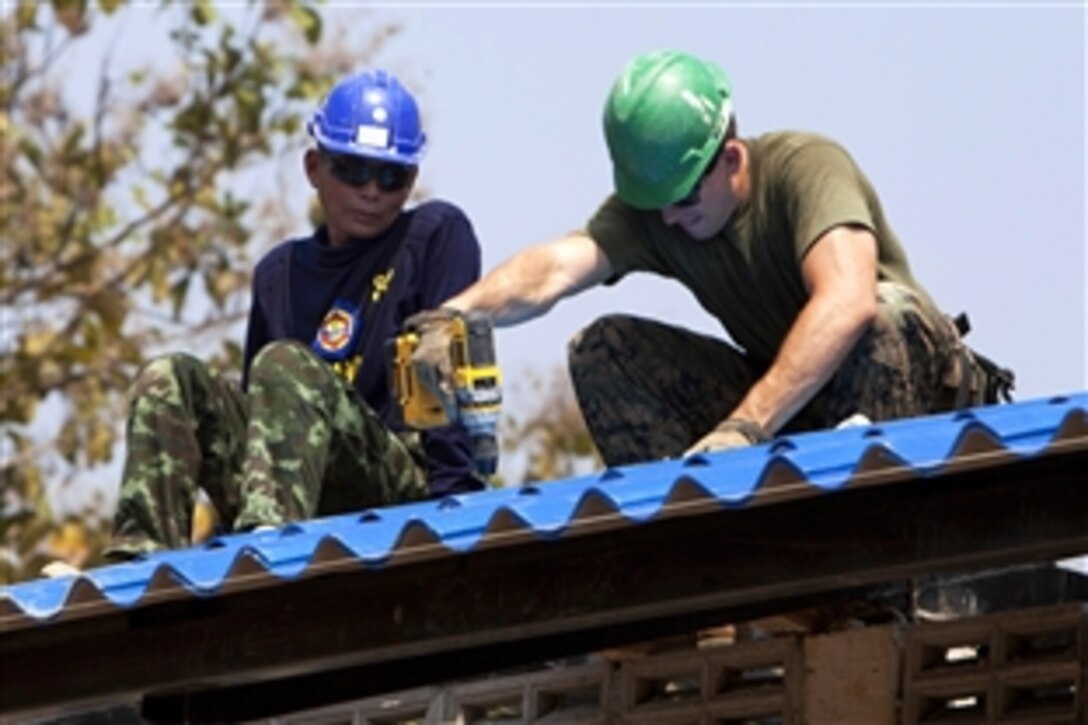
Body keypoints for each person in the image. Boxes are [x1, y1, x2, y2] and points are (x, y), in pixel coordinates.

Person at [410, 50, 1012, 468]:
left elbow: (848, 299)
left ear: (730, 158)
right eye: (657, 204)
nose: (670, 218)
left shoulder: (805, 168)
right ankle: (710, 559)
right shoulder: (661, 209)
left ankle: (871, 537)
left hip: (917, 398)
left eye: (683, 198)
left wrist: (746, 427)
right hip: (797, 409)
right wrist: (456, 315)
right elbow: (555, 268)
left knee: (881, 313)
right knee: (603, 350)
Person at [101, 69, 485, 560]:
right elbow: (259, 426)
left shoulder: (434, 235)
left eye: (391, 176)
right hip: (294, 484)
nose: (372, 191)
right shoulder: (277, 274)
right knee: (168, 378)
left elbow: (447, 366)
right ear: (314, 168)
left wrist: (456, 510)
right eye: (353, 169)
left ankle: (268, 545)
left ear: (411, 180)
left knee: (287, 364)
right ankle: (140, 559)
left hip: (395, 485)